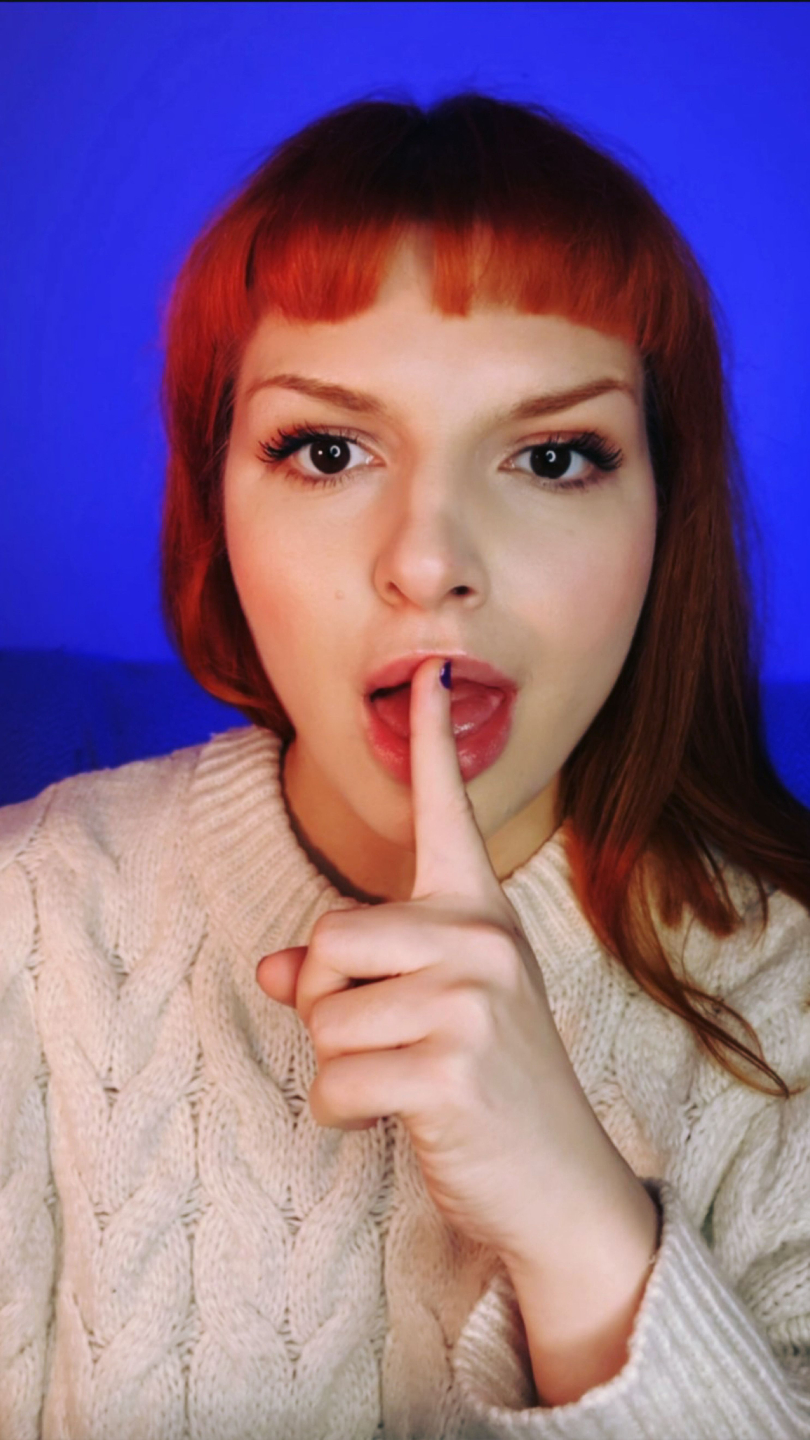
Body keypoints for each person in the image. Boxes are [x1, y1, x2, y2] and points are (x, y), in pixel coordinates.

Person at [1, 89, 808, 1440]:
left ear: (665, 516)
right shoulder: (26, 923)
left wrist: (581, 1229)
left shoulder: (790, 1005)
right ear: (213, 502)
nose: (430, 562)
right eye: (327, 450)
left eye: (552, 456)